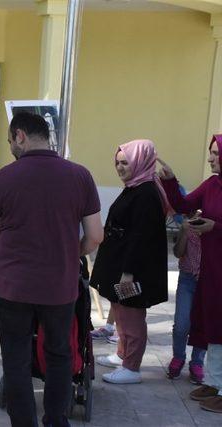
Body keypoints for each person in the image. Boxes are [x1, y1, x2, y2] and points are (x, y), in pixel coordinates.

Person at [0, 112, 103, 427]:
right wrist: (70, 252)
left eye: (11, 140)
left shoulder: (4, 177)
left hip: (12, 287)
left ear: (20, 135)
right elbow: (94, 236)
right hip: (59, 286)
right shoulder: (80, 176)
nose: (11, 146)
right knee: (59, 355)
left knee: (15, 360)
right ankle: (55, 420)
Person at [90, 139, 169, 385]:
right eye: (118, 162)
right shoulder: (136, 187)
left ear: (140, 162)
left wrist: (129, 272)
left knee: (132, 316)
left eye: (126, 162)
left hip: (132, 268)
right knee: (122, 313)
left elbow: (141, 237)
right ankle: (122, 355)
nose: (120, 167)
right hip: (120, 262)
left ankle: (132, 367)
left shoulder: (146, 193)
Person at [158, 134, 222, 413]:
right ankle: (214, 381)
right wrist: (171, 181)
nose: (210, 158)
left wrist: (216, 227)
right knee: (211, 327)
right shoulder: (212, 184)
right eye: (211, 153)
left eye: (216, 153)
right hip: (210, 270)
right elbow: (184, 206)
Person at [167, 205, 205, 383]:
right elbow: (177, 253)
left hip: (208, 281)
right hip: (187, 279)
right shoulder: (188, 226)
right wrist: (184, 231)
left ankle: (197, 362)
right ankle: (178, 357)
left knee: (202, 323)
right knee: (182, 323)